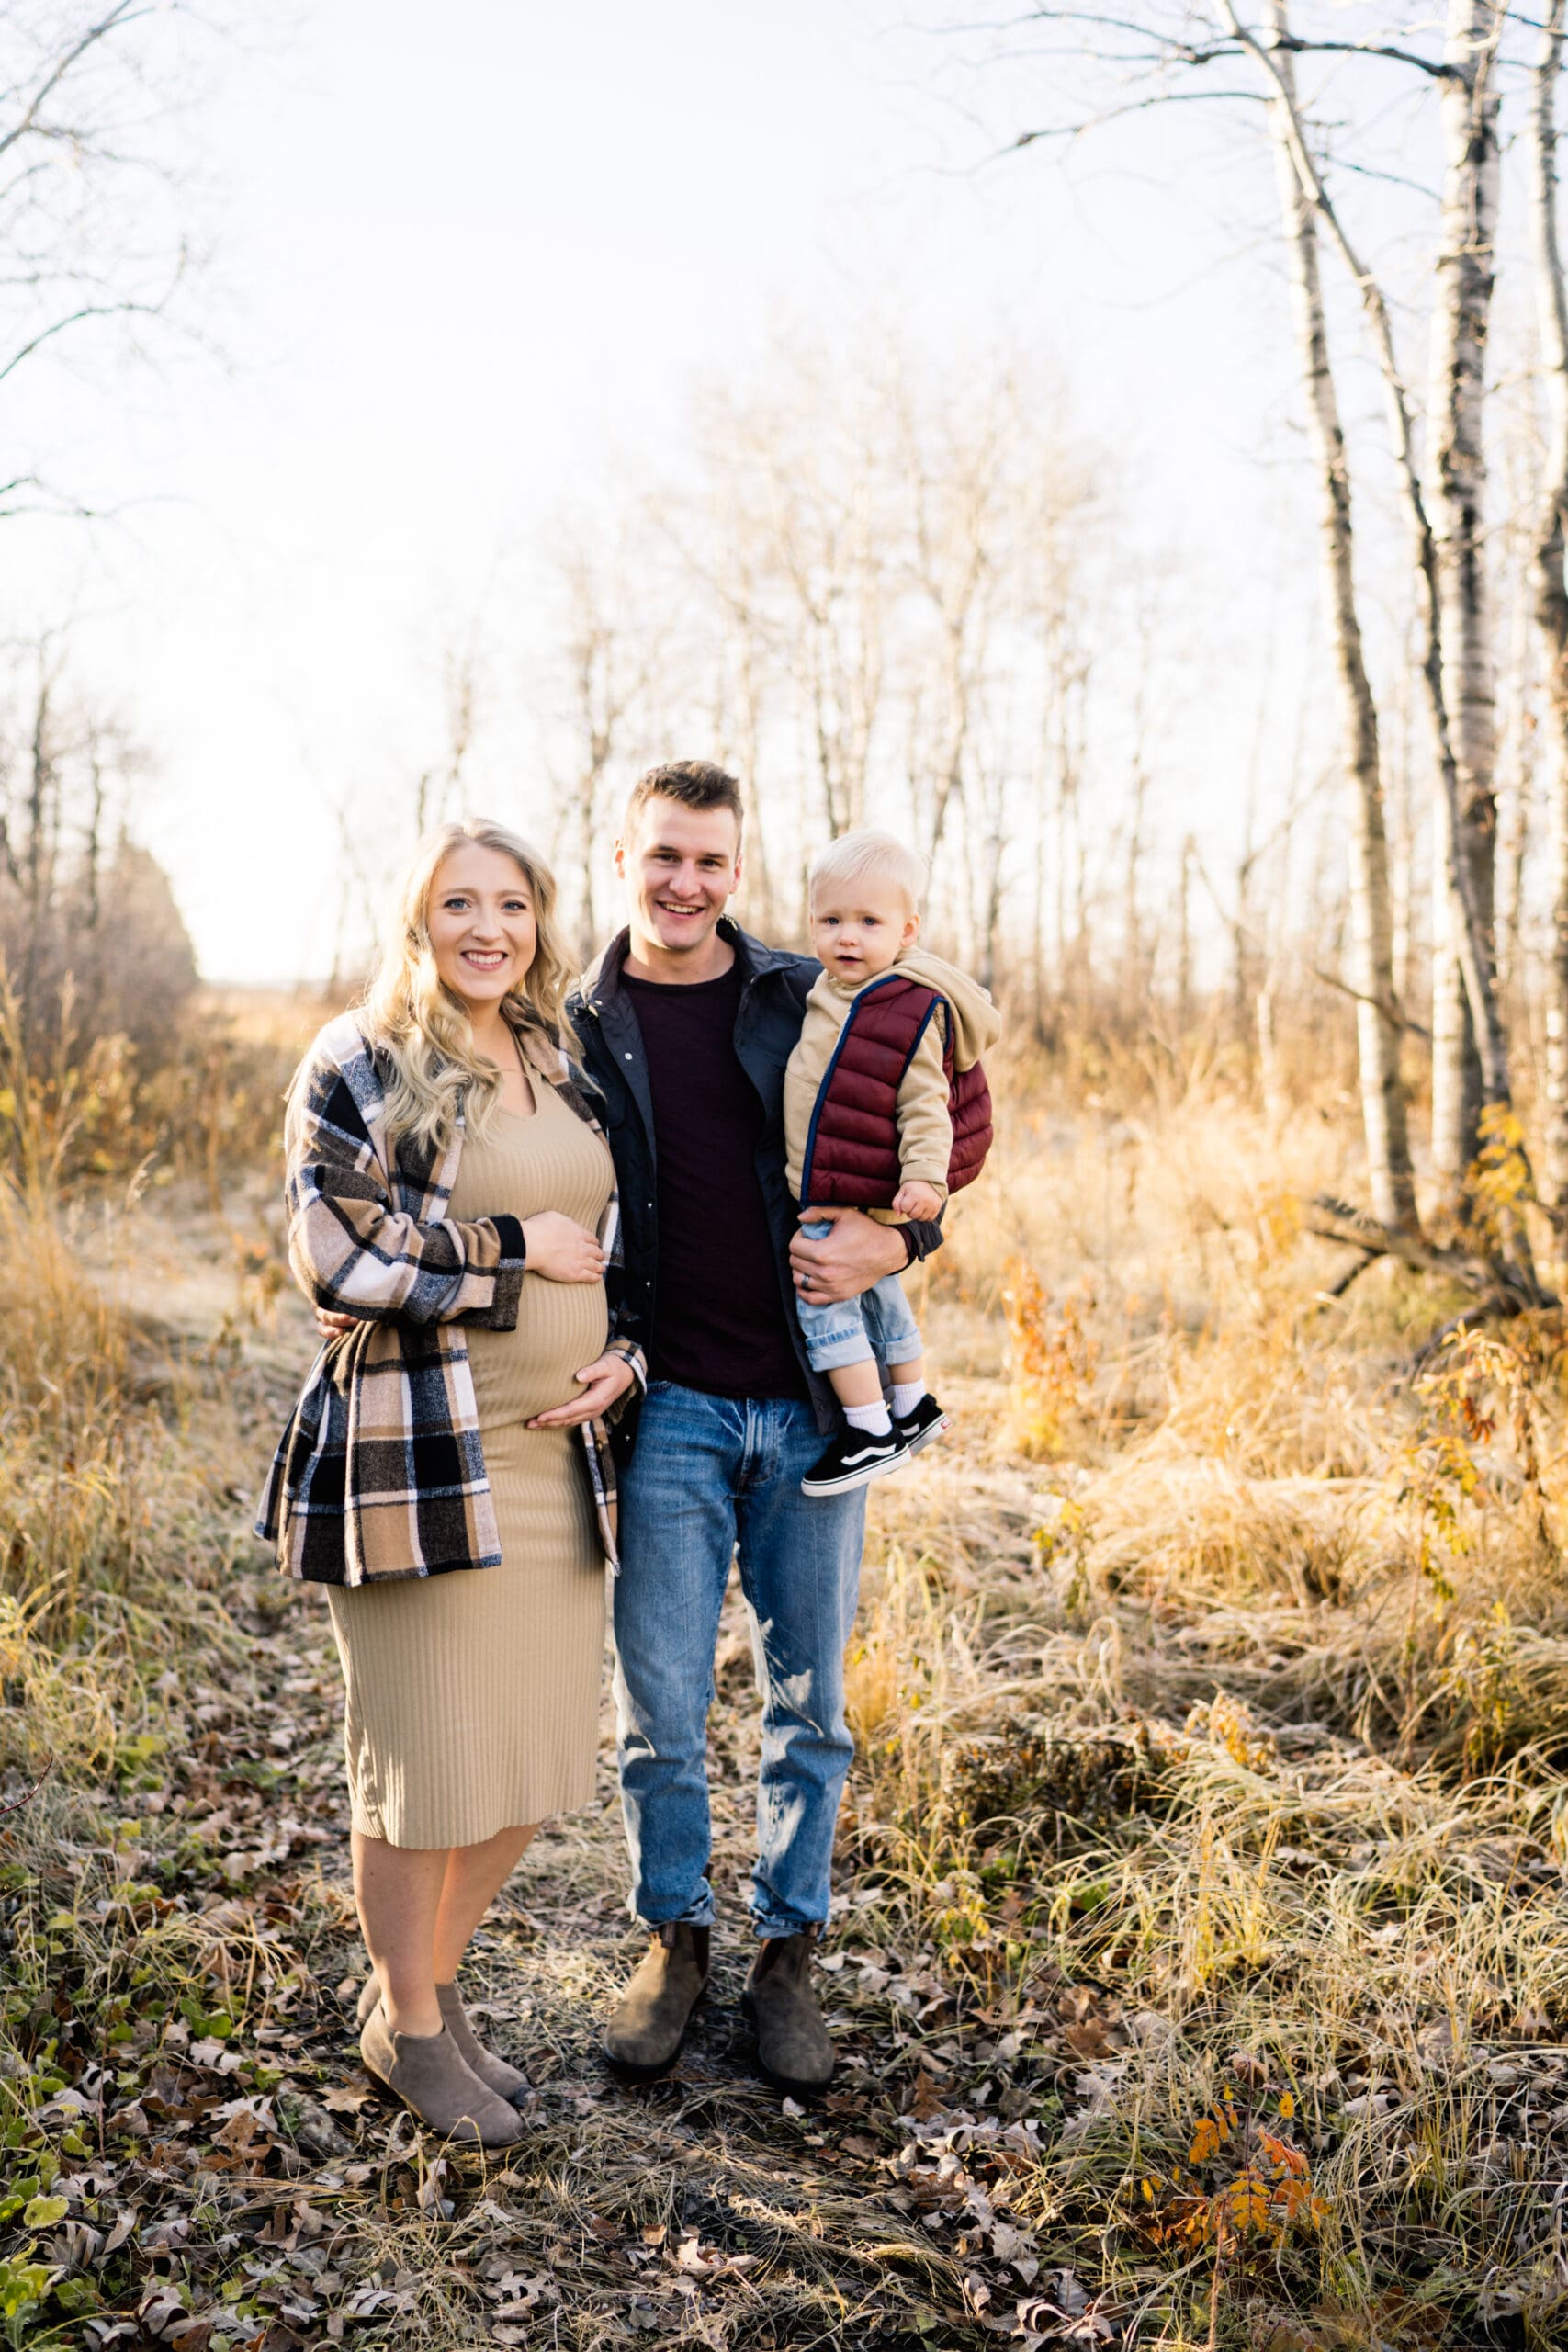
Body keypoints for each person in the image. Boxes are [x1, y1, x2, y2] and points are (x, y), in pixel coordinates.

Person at [257, 819, 642, 2147]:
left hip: (556, 1460)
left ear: (540, 918)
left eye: (512, 904)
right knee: (419, 1770)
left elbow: (627, 1247)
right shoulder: (360, 1059)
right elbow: (338, 1259)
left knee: (530, 1768)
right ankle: (412, 2027)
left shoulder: (567, 1058)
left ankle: (415, 1991)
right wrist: (507, 1250)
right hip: (416, 1455)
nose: (488, 927)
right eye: (458, 903)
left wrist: (628, 1351)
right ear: (416, 918)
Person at [565, 762, 944, 2098]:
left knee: (811, 1707)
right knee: (658, 1704)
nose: (685, 884)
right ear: (624, 857)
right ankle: (674, 1937)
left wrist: (900, 1235)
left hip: (806, 1404)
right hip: (665, 1401)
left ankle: (789, 1955)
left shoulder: (808, 990)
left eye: (710, 863)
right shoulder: (578, 1022)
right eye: (663, 857)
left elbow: (933, 1110)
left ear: (738, 870)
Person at [784, 827, 1000, 1497]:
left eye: (867, 922)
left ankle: (868, 1426)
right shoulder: (830, 989)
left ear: (906, 929)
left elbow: (925, 1105)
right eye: (831, 920)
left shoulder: (902, 1007)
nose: (847, 937)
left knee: (821, 1295)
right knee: (879, 1294)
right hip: (844, 1180)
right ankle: (911, 1405)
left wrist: (924, 1180)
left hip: (846, 1189)